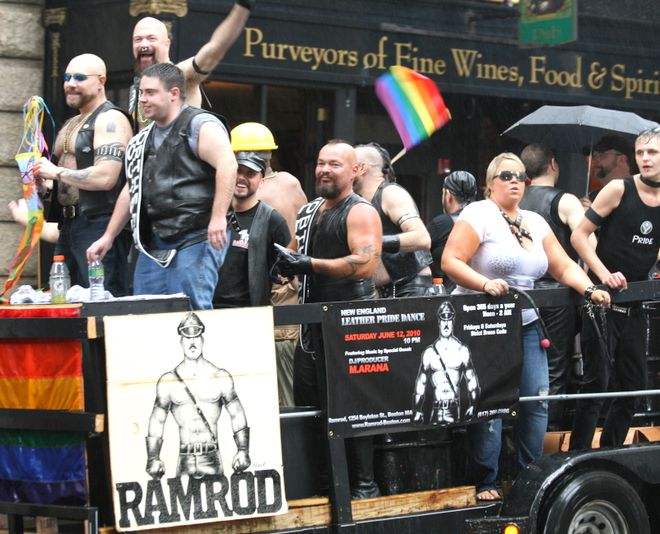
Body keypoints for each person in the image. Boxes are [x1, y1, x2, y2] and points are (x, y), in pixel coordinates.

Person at [441, 152, 610, 501]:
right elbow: (450, 261)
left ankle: (529, 478)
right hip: (483, 322)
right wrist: (484, 283)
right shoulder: (479, 213)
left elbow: (563, 266)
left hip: (527, 323)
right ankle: (485, 481)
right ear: (490, 184)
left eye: (520, 176)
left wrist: (590, 289)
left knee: (536, 400)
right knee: (489, 403)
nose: (515, 181)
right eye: (505, 175)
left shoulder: (534, 220)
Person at [276, 139, 382, 499]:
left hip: (351, 328)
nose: (324, 170)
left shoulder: (361, 211)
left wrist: (309, 265)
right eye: (321, 163)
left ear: (355, 171)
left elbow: (364, 264)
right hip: (311, 330)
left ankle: (364, 487)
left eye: (334, 164)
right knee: (311, 407)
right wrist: (281, 262)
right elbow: (293, 252)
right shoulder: (308, 211)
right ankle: (322, 485)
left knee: (353, 408)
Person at [87, 63, 236, 310]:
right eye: (141, 93)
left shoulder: (200, 125)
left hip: (196, 235)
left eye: (150, 92)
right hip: (155, 242)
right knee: (145, 312)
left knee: (190, 314)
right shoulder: (141, 140)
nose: (143, 99)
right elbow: (132, 189)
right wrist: (109, 236)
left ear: (174, 93)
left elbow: (228, 165)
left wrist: (219, 217)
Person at [569, 128, 660, 451]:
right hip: (602, 303)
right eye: (640, 153)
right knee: (597, 385)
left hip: (636, 305)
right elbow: (579, 236)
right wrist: (604, 274)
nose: (645, 159)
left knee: (633, 387)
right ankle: (579, 456)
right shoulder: (618, 188)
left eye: (653, 152)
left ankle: (610, 452)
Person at [32, 54, 133, 296]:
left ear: (101, 81)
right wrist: (42, 185)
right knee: (65, 300)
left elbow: (106, 177)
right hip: (69, 224)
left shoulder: (110, 119)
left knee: (101, 300)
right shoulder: (71, 124)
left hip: (100, 223)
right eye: (67, 77)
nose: (70, 83)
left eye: (79, 77)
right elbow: (64, 183)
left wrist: (56, 172)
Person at [229, 122, 307, 407]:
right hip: (293, 289)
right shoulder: (291, 182)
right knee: (283, 375)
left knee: (269, 378)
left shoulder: (256, 195)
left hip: (273, 292)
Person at [519, 143, 586, 430]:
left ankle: (519, 434)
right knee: (555, 367)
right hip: (558, 294)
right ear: (554, 164)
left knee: (519, 365)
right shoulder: (566, 201)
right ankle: (549, 434)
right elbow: (588, 243)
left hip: (522, 293)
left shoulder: (514, 200)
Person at [145, 312, 250, 479]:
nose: (192, 342)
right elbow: (158, 419)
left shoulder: (219, 376)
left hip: (212, 457)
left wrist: (243, 450)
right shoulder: (168, 380)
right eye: (187, 337)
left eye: (196, 336)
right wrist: (153, 457)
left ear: (202, 340)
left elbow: (236, 413)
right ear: (181, 342)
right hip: (185, 458)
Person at [130, 1, 254, 130]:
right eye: (138, 39)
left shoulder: (180, 75)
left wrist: (242, 7)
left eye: (151, 38)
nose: (144, 45)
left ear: (167, 44)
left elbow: (214, 49)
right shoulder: (137, 89)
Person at [213, 150, 290, 308]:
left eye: (250, 174)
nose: (242, 177)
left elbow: (288, 277)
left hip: (250, 313)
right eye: (238, 171)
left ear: (261, 181)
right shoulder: (215, 215)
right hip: (208, 310)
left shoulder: (272, 220)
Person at [354, 142, 432, 297]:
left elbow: (422, 238)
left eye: (350, 165)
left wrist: (375, 242)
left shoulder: (391, 193)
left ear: (362, 168)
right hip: (386, 294)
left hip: (411, 292)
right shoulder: (361, 202)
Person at [413, 300, 480, 425]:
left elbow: (472, 380)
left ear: (453, 321)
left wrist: (473, 405)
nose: (446, 324)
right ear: (439, 322)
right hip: (436, 408)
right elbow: (421, 383)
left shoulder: (461, 350)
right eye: (443, 319)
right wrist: (417, 409)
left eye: (449, 319)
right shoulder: (430, 352)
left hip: (454, 408)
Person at [427, 170, 477, 292]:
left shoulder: (441, 224)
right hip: (481, 292)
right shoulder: (483, 221)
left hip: (448, 295)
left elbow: (415, 253)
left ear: (448, 195)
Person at [585, 135, 635, 202]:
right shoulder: (592, 197)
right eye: (594, 156)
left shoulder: (640, 196)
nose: (595, 160)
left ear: (621, 159)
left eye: (601, 154)